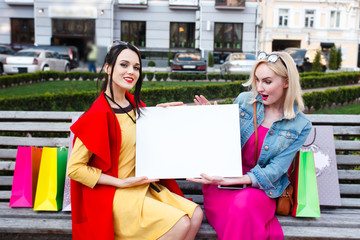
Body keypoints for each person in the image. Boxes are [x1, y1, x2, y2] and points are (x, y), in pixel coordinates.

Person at [67, 40, 203, 240]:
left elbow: (141, 136)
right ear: (107, 68)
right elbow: (74, 168)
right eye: (124, 65)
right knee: (181, 223)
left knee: (196, 214)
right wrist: (120, 183)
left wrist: (158, 114)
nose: (131, 71)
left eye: (136, 67)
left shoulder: (134, 105)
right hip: (115, 194)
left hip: (141, 187)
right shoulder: (97, 115)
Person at [188, 51, 312, 239]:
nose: (259, 88)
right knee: (241, 210)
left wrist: (239, 180)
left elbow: (276, 169)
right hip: (222, 187)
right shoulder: (245, 101)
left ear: (287, 82)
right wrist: (213, 119)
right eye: (257, 80)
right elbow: (224, 142)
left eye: (267, 82)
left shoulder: (300, 125)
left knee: (244, 204)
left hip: (260, 188)